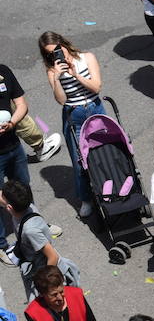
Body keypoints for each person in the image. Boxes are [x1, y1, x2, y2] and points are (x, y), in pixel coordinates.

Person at [37, 32, 106, 218]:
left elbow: (97, 87)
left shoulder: (87, 58)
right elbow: (61, 100)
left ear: (64, 44)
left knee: (106, 150)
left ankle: (111, 186)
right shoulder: (52, 71)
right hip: (73, 114)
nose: (57, 55)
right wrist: (58, 79)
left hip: (95, 108)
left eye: (58, 49)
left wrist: (76, 74)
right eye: (51, 53)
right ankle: (86, 199)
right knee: (79, 160)